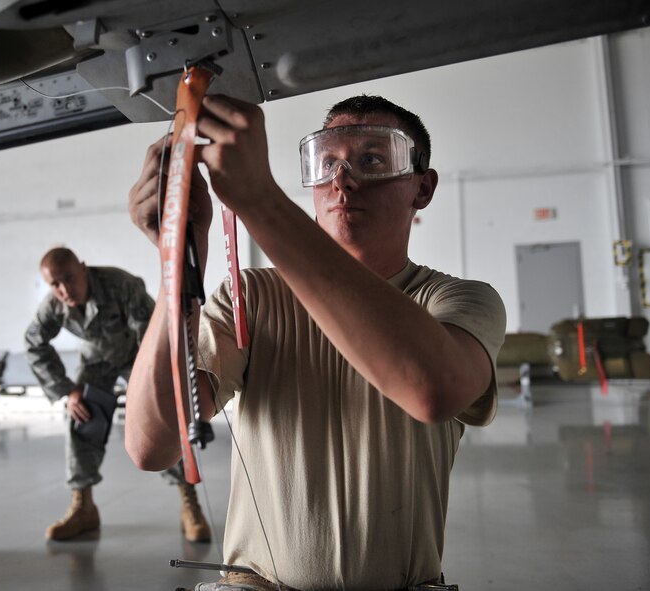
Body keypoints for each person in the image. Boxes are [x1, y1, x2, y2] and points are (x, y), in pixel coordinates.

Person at [125, 95, 506, 590]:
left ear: (423, 187)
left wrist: (260, 200)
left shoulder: (457, 302)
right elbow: (151, 445)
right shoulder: (250, 296)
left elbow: (432, 389)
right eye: (326, 163)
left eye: (373, 159)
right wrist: (178, 262)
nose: (342, 181)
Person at [25, 247, 211, 542]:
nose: (64, 290)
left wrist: (145, 389)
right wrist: (68, 390)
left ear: (83, 268)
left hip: (140, 356)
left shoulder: (121, 285)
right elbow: (33, 342)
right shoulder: (54, 305)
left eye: (69, 278)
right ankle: (83, 506)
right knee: (81, 415)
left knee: (164, 419)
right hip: (96, 359)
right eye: (55, 284)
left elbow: (153, 334)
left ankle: (190, 504)